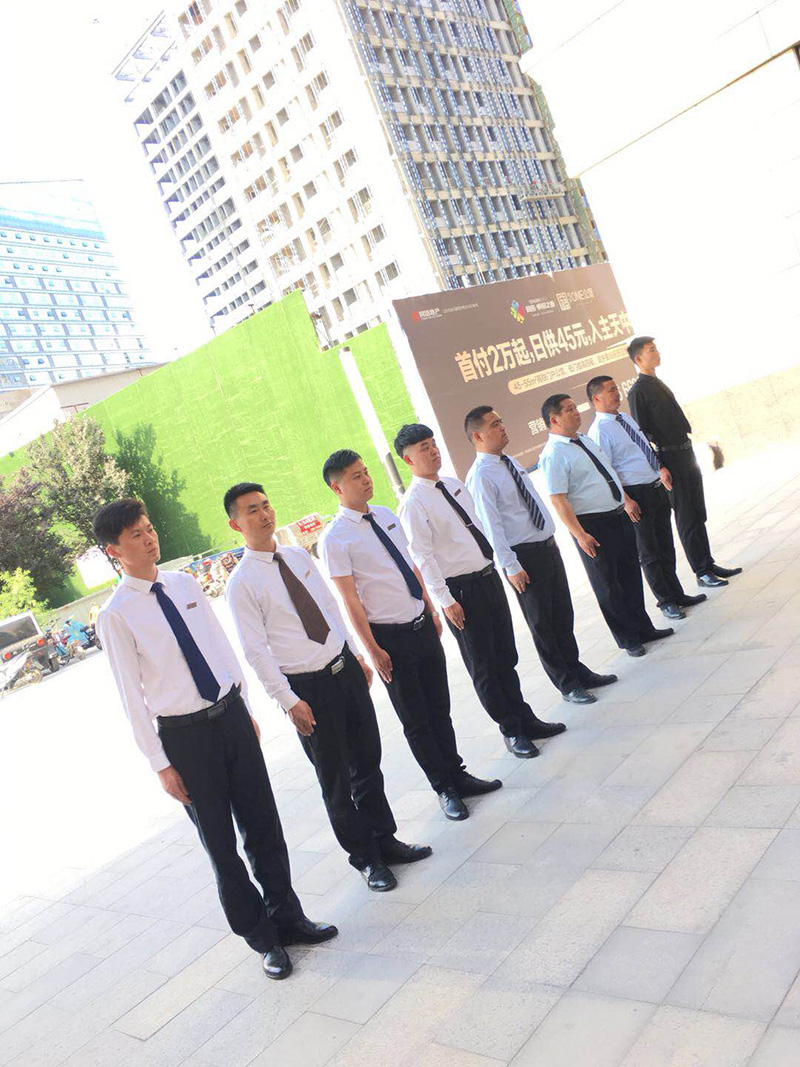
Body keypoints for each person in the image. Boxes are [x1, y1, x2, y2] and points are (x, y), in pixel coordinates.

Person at [93, 498, 334, 983]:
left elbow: (219, 648)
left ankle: (288, 917)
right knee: (222, 846)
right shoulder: (116, 615)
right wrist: (161, 764)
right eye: (136, 535)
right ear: (113, 550)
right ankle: (262, 937)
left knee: (263, 824)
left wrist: (244, 707)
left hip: (230, 718)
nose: (149, 538)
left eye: (149, 528)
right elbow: (131, 697)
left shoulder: (183, 585)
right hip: (185, 739)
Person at [223, 482, 431, 895]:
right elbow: (255, 651)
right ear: (236, 524)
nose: (264, 514)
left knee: (367, 760)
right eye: (252, 510)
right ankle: (365, 858)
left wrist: (354, 654)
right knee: (336, 779)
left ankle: (385, 840)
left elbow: (328, 607)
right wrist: (289, 701)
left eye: (266, 505)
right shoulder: (241, 583)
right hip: (306, 689)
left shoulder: (298, 556)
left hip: (343, 670)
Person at [318, 449, 502, 822]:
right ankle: (443, 787)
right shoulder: (335, 538)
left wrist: (431, 609)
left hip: (421, 624)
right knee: (416, 718)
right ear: (337, 488)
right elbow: (349, 599)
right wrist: (372, 649)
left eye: (366, 472)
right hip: (389, 638)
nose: (366, 479)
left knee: (439, 707)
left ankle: (457, 773)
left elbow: (411, 564)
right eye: (356, 476)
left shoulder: (385, 515)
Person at [394, 423, 566, 758]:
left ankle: (524, 718)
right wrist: (445, 600)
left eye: (432, 444)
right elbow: (423, 557)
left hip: (487, 577)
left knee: (505, 654)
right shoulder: (414, 503)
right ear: (408, 460)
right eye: (423, 448)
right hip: (460, 591)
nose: (433, 451)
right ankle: (511, 730)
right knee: (484, 665)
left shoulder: (453, 485)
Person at [464, 406, 617, 705]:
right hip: (523, 557)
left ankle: (576, 669)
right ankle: (566, 683)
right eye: (494, 424)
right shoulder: (481, 475)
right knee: (542, 622)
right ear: (478, 436)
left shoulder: (508, 461)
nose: (502, 427)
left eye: (501, 421)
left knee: (562, 613)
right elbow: (491, 526)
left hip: (546, 547)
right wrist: (510, 565)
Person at [538, 396, 674, 657]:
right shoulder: (554, 454)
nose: (576, 412)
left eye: (575, 407)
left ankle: (643, 628)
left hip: (616, 515)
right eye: (569, 410)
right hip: (592, 524)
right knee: (608, 584)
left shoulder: (584, 440)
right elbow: (558, 499)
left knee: (629, 575)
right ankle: (627, 639)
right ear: (554, 420)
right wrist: (580, 535)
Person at [586, 376, 708, 621]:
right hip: (635, 495)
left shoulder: (625, 419)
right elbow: (607, 471)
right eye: (610, 390)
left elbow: (643, 449)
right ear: (596, 398)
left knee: (665, 545)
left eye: (616, 388)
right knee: (649, 552)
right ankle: (666, 601)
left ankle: (677, 593)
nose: (617, 393)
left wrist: (660, 468)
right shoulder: (599, 431)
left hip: (655, 487)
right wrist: (626, 500)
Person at [626, 336, 742, 588]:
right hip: (669, 457)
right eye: (651, 350)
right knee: (686, 515)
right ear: (638, 358)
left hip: (685, 453)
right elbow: (642, 434)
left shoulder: (657, 382)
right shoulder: (638, 391)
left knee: (697, 511)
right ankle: (701, 572)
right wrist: (660, 466)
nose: (657, 352)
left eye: (656, 348)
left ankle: (708, 563)